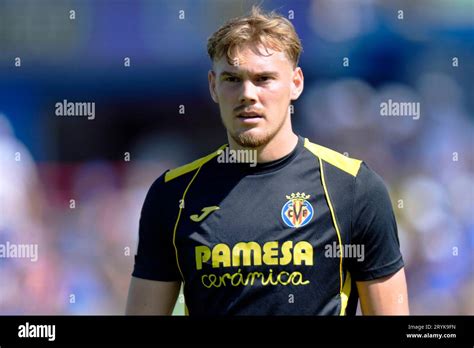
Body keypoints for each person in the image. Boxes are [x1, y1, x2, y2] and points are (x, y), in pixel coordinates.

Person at [126, 6, 409, 315]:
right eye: (232, 79)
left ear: (296, 83)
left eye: (263, 79)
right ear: (213, 86)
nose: (247, 94)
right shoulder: (172, 195)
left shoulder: (354, 188)